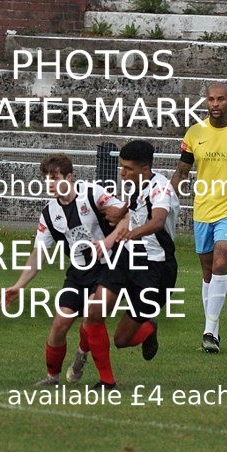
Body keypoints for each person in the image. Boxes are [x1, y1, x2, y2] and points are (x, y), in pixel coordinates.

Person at [4, 154, 126, 388]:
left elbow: (125, 218)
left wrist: (108, 241)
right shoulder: (49, 213)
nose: (49, 183)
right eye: (46, 178)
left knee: (93, 313)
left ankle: (90, 363)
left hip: (108, 267)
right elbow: (39, 253)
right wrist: (19, 285)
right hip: (79, 272)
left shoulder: (93, 193)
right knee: (60, 323)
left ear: (69, 177)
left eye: (55, 177)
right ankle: (52, 377)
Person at [170, 82, 227, 353]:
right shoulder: (195, 132)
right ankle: (214, 329)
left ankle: (209, 331)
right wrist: (166, 198)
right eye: (211, 99)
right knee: (208, 271)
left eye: (220, 99)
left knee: (221, 261)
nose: (215, 104)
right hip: (203, 210)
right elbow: (182, 170)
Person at [84, 140, 180, 384]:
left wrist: (132, 233)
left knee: (121, 340)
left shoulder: (162, 190)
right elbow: (137, 203)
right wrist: (121, 211)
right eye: (121, 166)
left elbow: (158, 221)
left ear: (145, 169)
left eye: (127, 168)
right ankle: (107, 381)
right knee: (95, 311)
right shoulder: (135, 183)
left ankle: (149, 329)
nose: (122, 172)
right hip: (128, 257)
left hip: (156, 269)